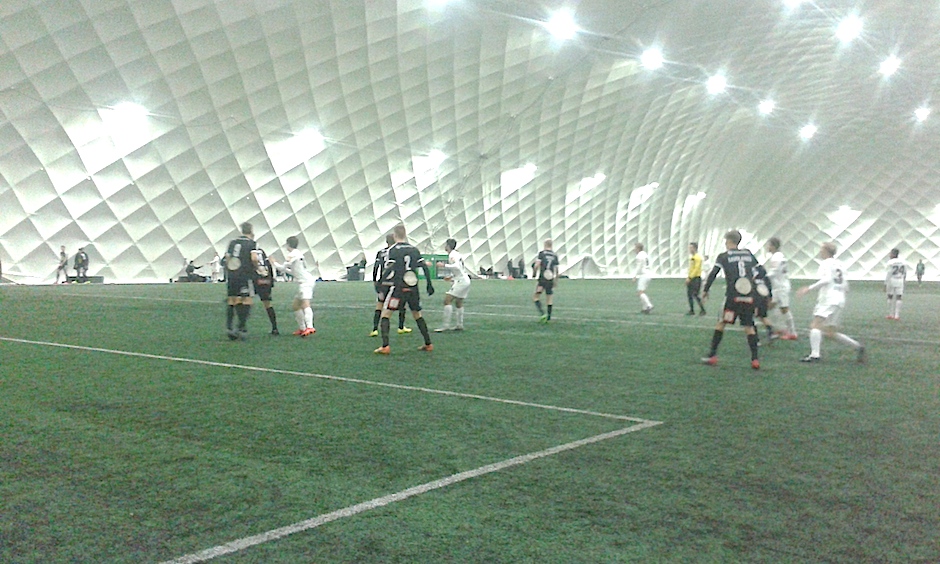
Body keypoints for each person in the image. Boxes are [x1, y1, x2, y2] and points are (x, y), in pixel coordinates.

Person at [700, 230, 762, 370]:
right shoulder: (748, 254)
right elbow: (760, 272)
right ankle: (755, 359)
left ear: (728, 241)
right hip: (748, 297)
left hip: (732, 297)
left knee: (721, 323)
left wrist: (705, 290)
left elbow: (713, 273)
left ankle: (712, 355)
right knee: (749, 327)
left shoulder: (724, 256)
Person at [796, 242, 865, 363]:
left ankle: (815, 355)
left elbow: (826, 279)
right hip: (840, 299)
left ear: (826, 251)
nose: (820, 252)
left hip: (829, 298)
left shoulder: (825, 263)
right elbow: (846, 285)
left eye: (821, 249)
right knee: (830, 332)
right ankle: (858, 347)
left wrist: (808, 288)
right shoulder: (840, 264)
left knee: (815, 325)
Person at [374, 224, 435, 354]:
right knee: (417, 314)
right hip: (413, 287)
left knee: (386, 314)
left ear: (395, 235)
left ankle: (385, 346)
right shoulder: (414, 249)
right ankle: (428, 344)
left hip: (398, 287)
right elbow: (424, 266)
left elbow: (390, 267)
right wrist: (429, 284)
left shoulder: (393, 250)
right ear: (405, 234)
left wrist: (380, 281)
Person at [272, 236, 317, 337]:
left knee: (305, 304)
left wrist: (274, 262)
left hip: (305, 282)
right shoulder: (298, 253)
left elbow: (282, 267)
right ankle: (302, 328)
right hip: (305, 281)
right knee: (296, 305)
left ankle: (310, 327)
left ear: (288, 244)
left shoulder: (292, 254)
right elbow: (295, 271)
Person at [224, 223, 258, 340]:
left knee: (232, 300)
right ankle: (241, 327)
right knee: (247, 300)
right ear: (251, 230)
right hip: (245, 274)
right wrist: (256, 267)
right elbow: (254, 258)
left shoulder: (232, 242)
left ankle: (229, 327)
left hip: (232, 274)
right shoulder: (251, 243)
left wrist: (231, 268)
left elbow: (228, 258)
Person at [764, 237, 797, 340]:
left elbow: (774, 272)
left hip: (781, 287)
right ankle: (780, 328)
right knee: (771, 306)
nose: (767, 247)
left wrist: (762, 277)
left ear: (773, 246)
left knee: (784, 309)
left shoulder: (776, 257)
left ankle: (792, 333)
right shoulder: (779, 256)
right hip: (778, 286)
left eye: (769, 245)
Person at [435, 238, 471, 332]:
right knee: (459, 302)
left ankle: (446, 325)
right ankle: (459, 325)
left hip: (461, 281)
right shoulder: (456, 254)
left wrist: (444, 265)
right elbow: (460, 268)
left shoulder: (452, 255)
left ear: (448, 246)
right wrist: (451, 276)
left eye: (446, 245)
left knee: (447, 300)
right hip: (464, 279)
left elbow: (457, 266)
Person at [370, 233, 396, 337]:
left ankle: (375, 329)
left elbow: (376, 267)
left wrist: (375, 280)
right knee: (401, 305)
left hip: (383, 282)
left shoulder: (381, 252)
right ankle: (401, 327)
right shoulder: (397, 252)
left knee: (379, 304)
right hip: (394, 282)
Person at [251, 245, 279, 335]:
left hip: (254, 278)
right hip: (266, 279)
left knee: (244, 300)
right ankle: (275, 328)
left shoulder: (249, 250)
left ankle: (241, 328)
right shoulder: (261, 251)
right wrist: (271, 281)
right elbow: (269, 265)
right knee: (267, 303)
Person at [533, 239, 560, 322]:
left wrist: (534, 273)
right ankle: (548, 318)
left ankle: (542, 313)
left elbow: (537, 265)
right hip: (550, 278)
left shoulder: (542, 254)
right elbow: (557, 270)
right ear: (551, 245)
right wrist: (556, 281)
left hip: (542, 278)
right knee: (549, 298)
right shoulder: (555, 255)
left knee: (536, 297)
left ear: (545, 245)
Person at [884, 248, 907, 321]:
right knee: (899, 297)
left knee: (890, 296)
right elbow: (905, 272)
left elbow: (888, 273)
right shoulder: (903, 262)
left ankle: (890, 314)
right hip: (900, 280)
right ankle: (897, 315)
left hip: (892, 280)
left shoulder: (890, 262)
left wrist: (885, 283)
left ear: (893, 254)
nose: (889, 255)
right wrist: (904, 280)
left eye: (890, 253)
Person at [685, 242, 706, 316]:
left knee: (695, 294)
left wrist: (690, 277)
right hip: (692, 278)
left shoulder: (697, 257)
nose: (689, 249)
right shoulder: (692, 257)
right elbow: (691, 269)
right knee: (689, 294)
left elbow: (696, 269)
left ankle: (702, 309)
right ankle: (692, 310)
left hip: (696, 278)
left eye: (691, 248)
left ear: (695, 248)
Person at [634, 243, 653, 314]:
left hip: (644, 275)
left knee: (640, 292)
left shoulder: (639, 256)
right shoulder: (645, 254)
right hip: (649, 274)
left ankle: (649, 305)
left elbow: (638, 267)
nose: (634, 250)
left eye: (635, 248)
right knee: (642, 291)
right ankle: (644, 308)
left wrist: (634, 276)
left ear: (638, 249)